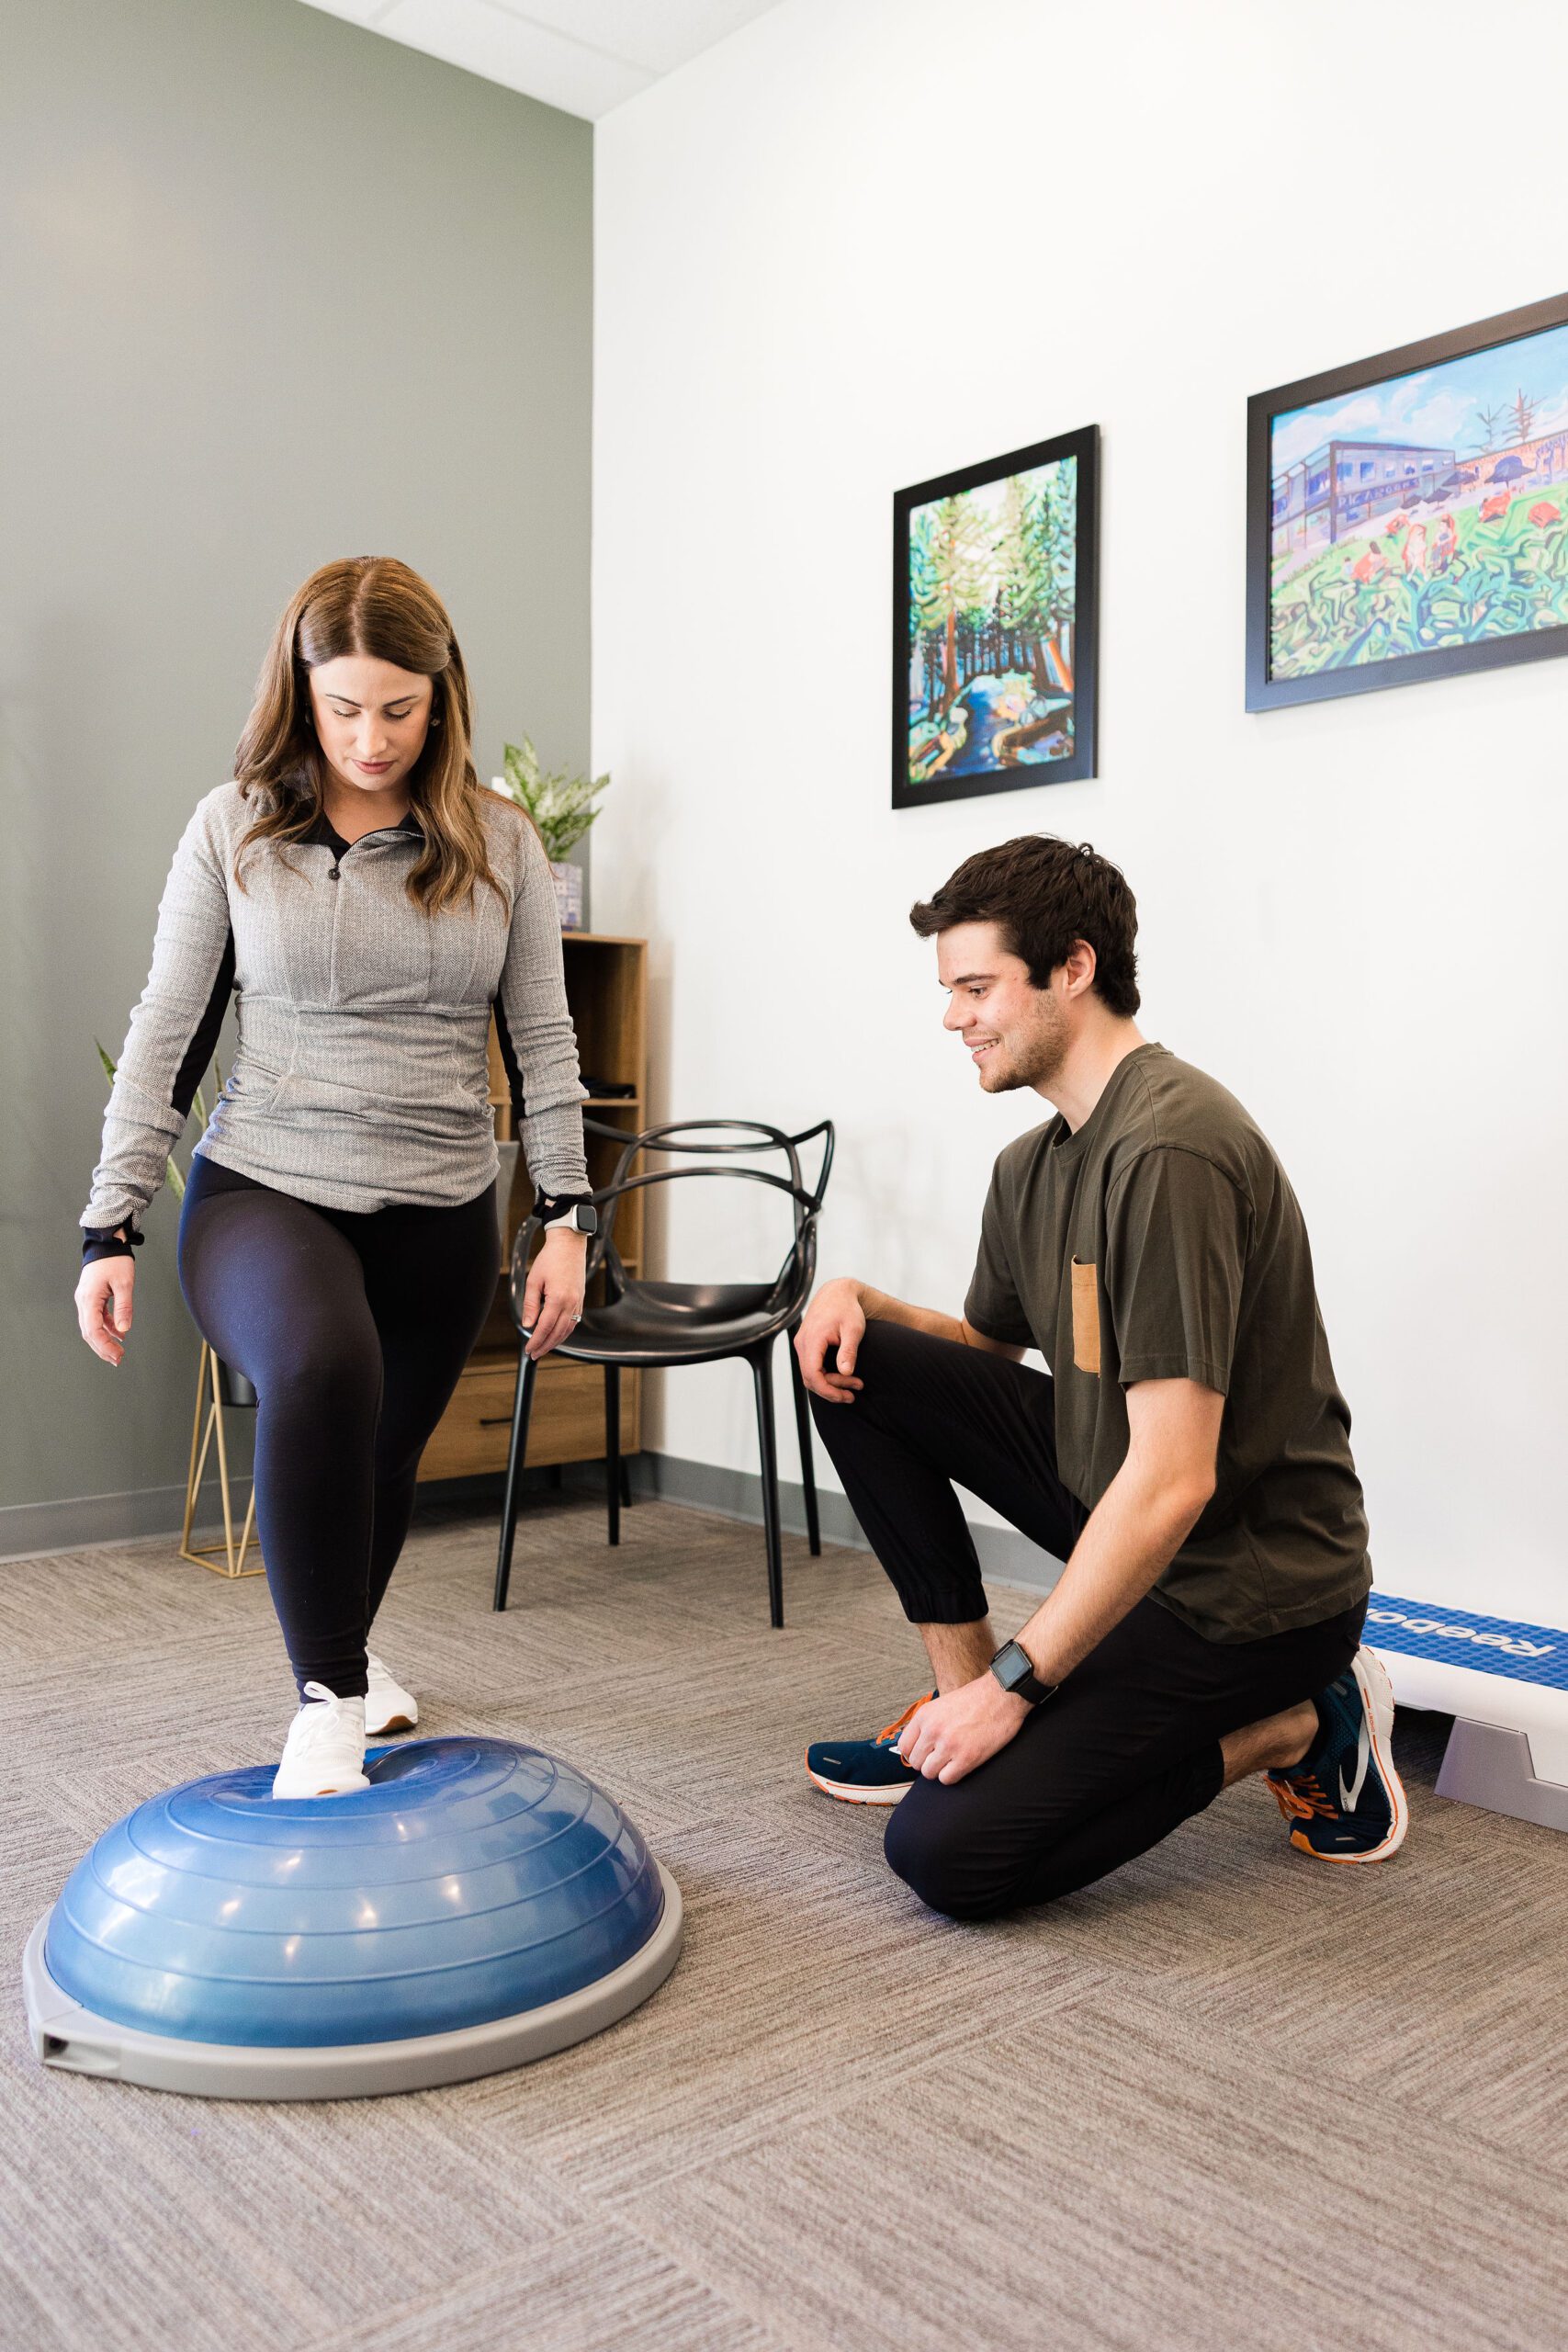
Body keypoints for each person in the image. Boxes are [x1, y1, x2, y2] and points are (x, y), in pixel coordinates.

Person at [795, 834, 1405, 1920]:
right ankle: (952, 1702)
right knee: (856, 1365)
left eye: (976, 987)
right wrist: (867, 1304)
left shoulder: (1171, 1147)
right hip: (1127, 1515)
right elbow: (983, 1359)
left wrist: (1020, 1688)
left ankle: (1301, 1721)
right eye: (950, 991)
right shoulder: (1033, 1163)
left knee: (948, 1855)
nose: (953, 1018)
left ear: (1072, 968)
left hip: (1248, 1593)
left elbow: (1175, 1479)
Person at [73, 558, 596, 1799]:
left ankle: (351, 1668)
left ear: (440, 696)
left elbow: (544, 1041)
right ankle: (326, 1709)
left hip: (441, 1208)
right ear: (301, 693)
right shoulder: (234, 825)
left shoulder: (501, 841)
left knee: (381, 1463)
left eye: (398, 709)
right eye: (344, 707)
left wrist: (567, 1217)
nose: (371, 737)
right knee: (318, 1364)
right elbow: (170, 1028)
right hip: (268, 1183)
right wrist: (110, 1221)